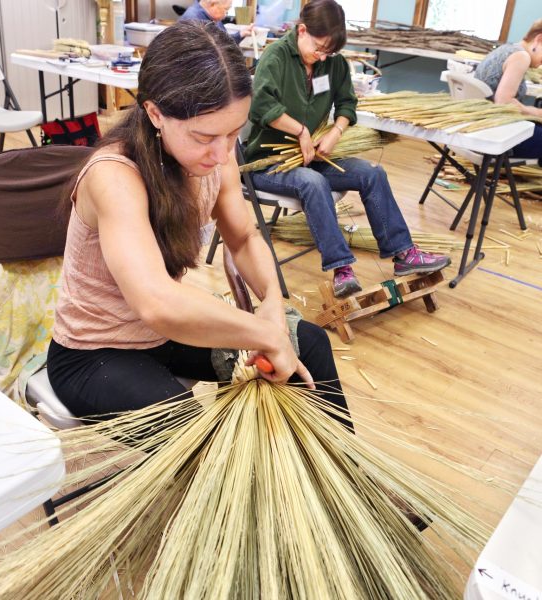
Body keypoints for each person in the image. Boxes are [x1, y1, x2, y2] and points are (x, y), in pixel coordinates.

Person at [46, 21, 351, 429]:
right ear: (155, 113)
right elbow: (156, 303)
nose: (222, 152)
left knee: (308, 343)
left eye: (233, 133)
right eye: (205, 136)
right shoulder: (114, 177)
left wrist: (273, 307)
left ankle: (339, 473)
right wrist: (263, 335)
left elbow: (243, 238)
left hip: (163, 338)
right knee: (196, 432)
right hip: (95, 354)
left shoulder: (216, 155)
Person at [246, 0, 451, 298]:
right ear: (301, 30)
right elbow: (261, 105)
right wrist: (301, 131)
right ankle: (341, 269)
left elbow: (346, 103)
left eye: (329, 51)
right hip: (268, 163)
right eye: (319, 47)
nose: (322, 56)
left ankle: (403, 254)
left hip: (313, 157)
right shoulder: (276, 57)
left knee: (372, 173)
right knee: (313, 183)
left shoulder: (333, 63)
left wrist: (336, 131)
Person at [474, 19, 542, 164]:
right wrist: (537, 112)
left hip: (481, 130)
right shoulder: (521, 56)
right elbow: (503, 103)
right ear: (539, 39)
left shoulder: (507, 49)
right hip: (497, 137)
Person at [180, 0, 254, 45]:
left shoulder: (212, 18)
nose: (225, 15)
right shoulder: (192, 21)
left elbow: (223, 40)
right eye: (226, 9)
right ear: (213, 5)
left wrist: (241, 34)